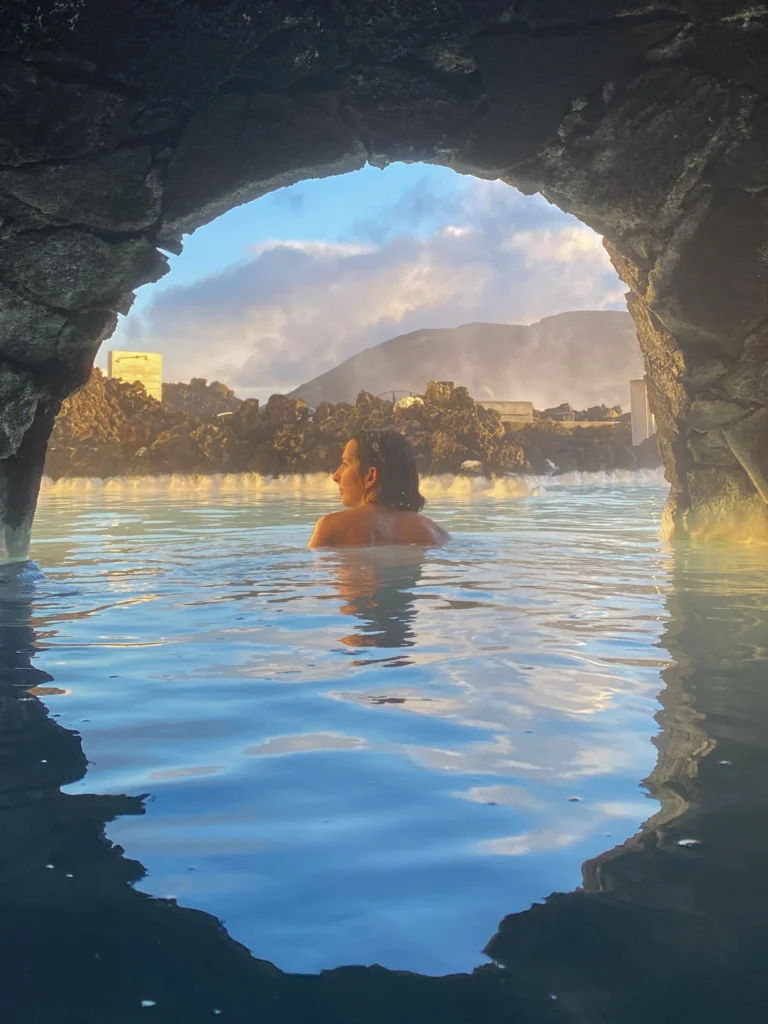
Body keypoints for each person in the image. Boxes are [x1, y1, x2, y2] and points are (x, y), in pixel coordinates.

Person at [308, 429, 450, 548]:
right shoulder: (434, 533)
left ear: (370, 476)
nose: (336, 475)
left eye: (345, 464)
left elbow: (316, 575)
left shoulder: (330, 527)